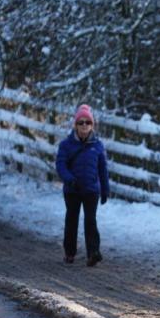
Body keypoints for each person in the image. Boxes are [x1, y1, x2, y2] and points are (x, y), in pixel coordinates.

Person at [56, 104, 110, 267]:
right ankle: (70, 252)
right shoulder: (66, 145)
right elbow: (60, 165)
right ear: (75, 125)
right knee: (72, 220)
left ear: (92, 125)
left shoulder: (98, 146)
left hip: (91, 190)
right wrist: (69, 179)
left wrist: (105, 189)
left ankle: (93, 253)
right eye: (81, 122)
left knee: (90, 220)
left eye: (88, 122)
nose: (84, 125)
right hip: (73, 189)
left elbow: (103, 169)